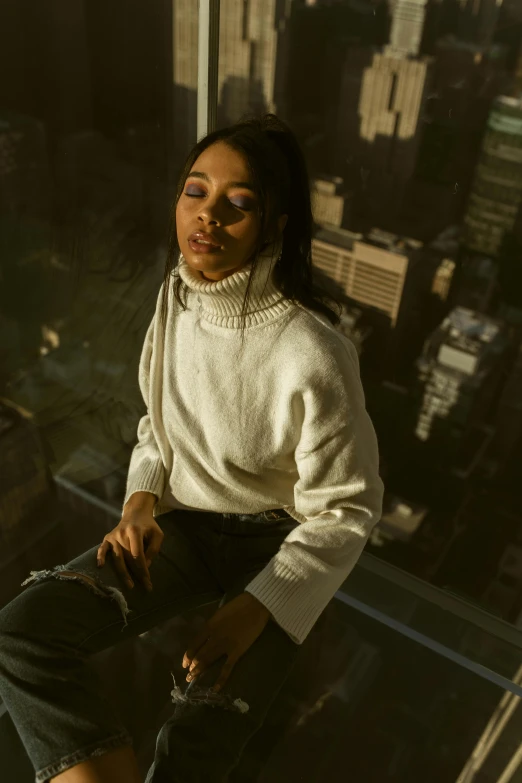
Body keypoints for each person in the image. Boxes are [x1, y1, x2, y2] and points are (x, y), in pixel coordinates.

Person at [0, 113, 384, 783]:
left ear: (275, 226)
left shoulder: (314, 351)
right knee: (23, 633)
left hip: (277, 547)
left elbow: (348, 510)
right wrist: (141, 501)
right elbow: (158, 424)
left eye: (239, 204)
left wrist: (255, 608)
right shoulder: (175, 299)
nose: (207, 216)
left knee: (198, 742)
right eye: (194, 191)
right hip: (182, 528)